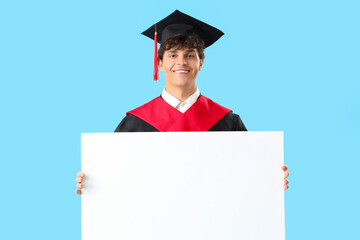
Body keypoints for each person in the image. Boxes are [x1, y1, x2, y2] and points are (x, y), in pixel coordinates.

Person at [75, 10, 289, 194]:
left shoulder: (228, 122)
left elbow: (249, 175)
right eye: (172, 55)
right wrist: (91, 183)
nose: (181, 62)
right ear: (159, 63)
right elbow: (114, 176)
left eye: (190, 55)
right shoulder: (134, 123)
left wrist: (271, 179)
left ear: (201, 62)